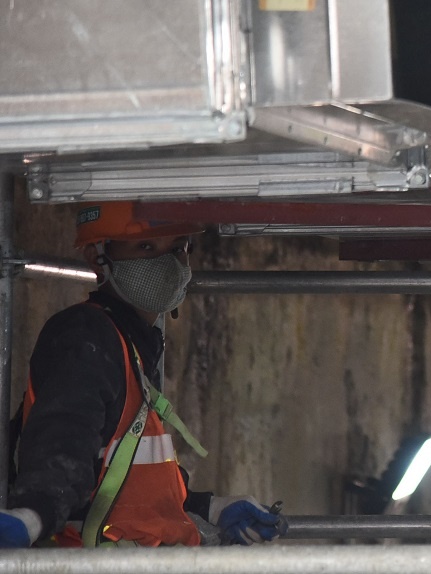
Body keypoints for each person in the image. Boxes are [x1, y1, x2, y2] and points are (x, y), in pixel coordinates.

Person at [0, 201, 286, 548]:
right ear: (97, 257)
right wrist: (32, 517)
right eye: (146, 247)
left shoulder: (130, 341)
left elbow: (127, 487)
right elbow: (65, 439)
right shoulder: (87, 335)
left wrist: (210, 507)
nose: (166, 264)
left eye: (178, 248)